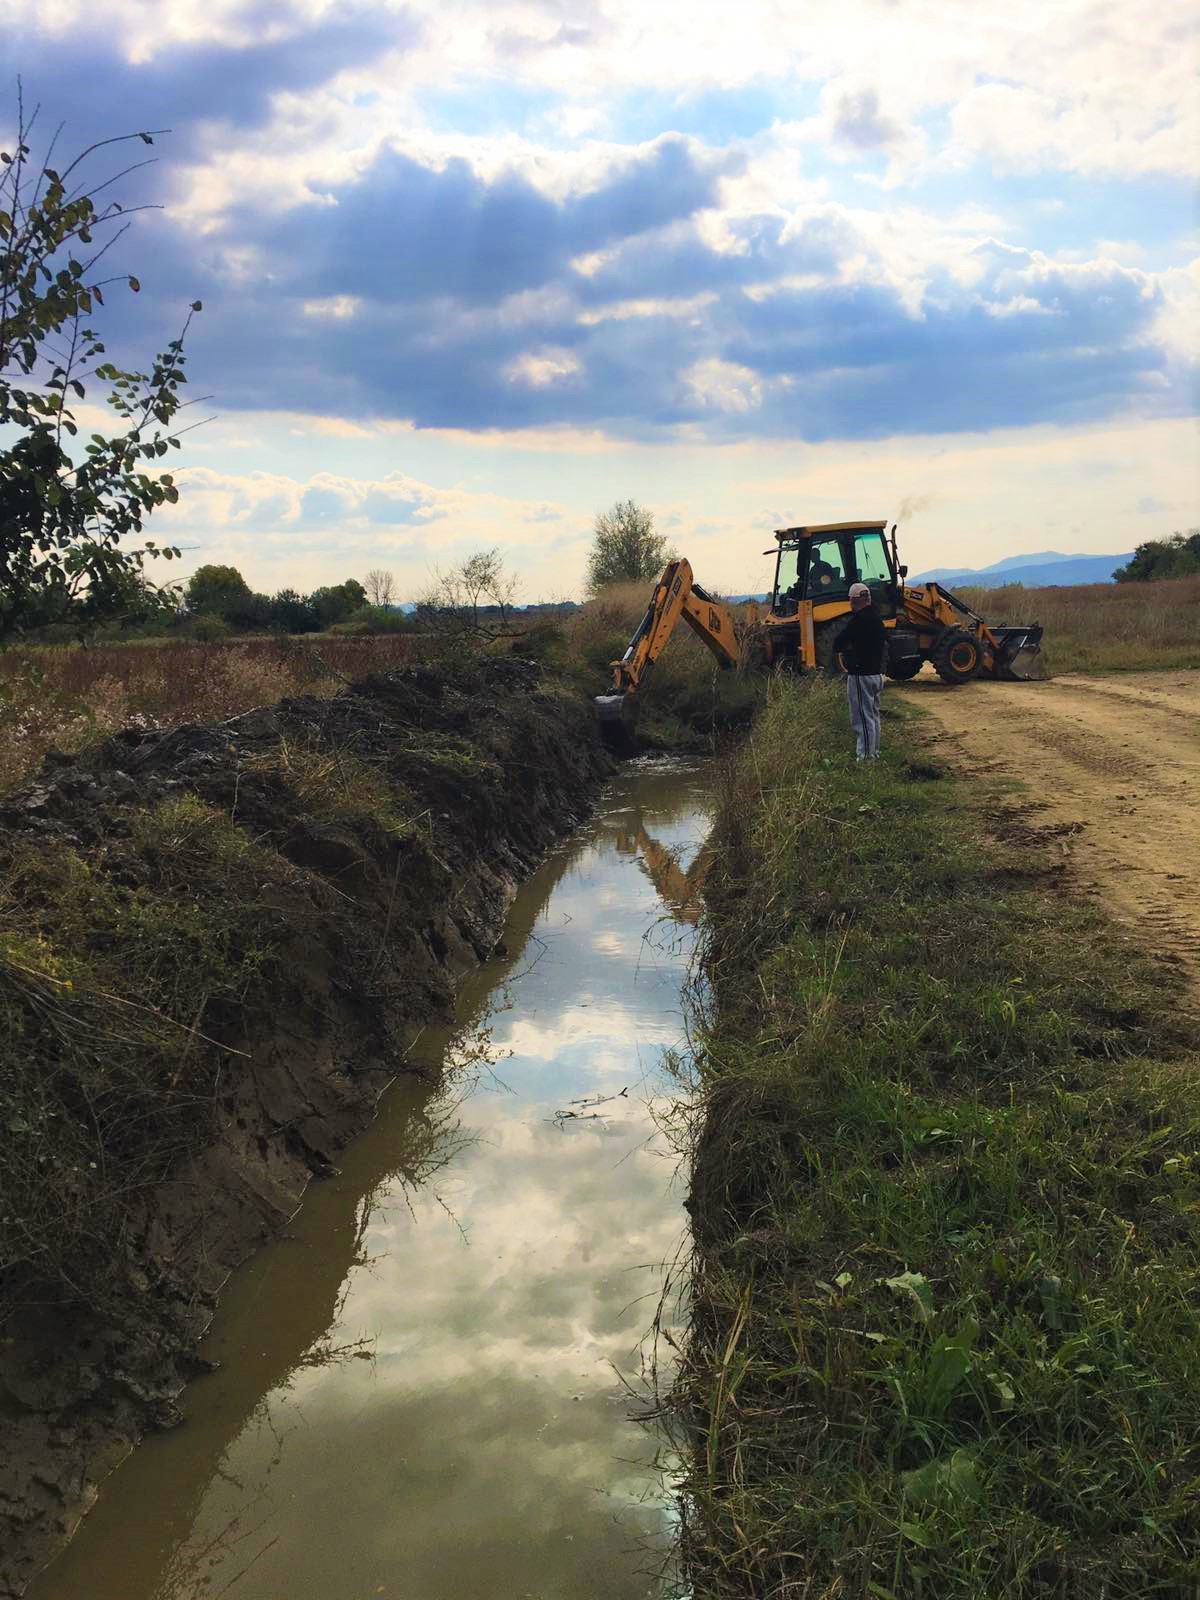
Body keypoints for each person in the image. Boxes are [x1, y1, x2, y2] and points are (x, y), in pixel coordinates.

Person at [832, 582, 886, 760]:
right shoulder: (877, 619)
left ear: (854, 600)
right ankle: (874, 752)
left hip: (860, 675)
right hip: (876, 674)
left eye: (850, 600)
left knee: (862, 718)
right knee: (873, 715)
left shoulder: (858, 620)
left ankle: (865, 757)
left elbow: (838, 643)